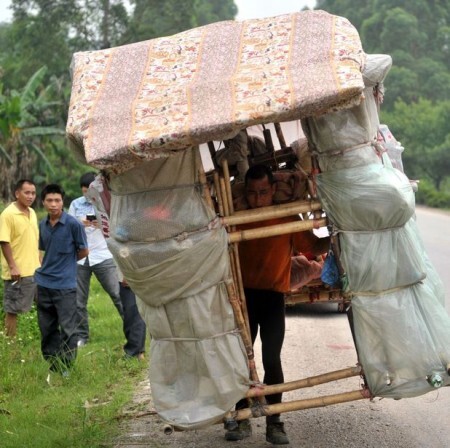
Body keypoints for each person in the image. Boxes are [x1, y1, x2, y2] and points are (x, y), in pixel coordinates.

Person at [225, 164, 330, 445]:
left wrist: (338, 234)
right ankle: (241, 416)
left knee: (272, 359)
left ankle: (275, 421)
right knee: (240, 359)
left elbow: (313, 248)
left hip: (273, 298)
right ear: (244, 193)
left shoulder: (286, 217)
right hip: (243, 298)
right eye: (251, 193)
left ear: (273, 190)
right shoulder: (237, 217)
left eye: (263, 192)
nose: (258, 199)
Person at [35, 184, 88, 376]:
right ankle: (54, 364)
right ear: (43, 202)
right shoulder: (42, 225)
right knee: (47, 328)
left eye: (57, 200)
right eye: (49, 200)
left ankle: (66, 366)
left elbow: (83, 251)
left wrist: (66, 265)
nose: (53, 204)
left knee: (68, 328)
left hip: (65, 285)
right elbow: (44, 250)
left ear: (62, 202)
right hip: (43, 283)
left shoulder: (74, 224)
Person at [68, 172, 124, 347]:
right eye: (84, 191)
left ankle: (132, 330)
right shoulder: (75, 204)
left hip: (103, 255)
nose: (87, 195)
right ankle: (81, 336)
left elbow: (117, 223)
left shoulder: (107, 201)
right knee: (78, 300)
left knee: (117, 293)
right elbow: (69, 225)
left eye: (89, 191)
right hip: (80, 258)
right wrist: (84, 222)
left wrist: (95, 222)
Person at [0, 179, 40, 337]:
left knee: (45, 306)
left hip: (35, 270)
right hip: (18, 272)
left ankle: (45, 338)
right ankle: (10, 345)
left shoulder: (33, 213)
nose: (31, 196)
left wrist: (40, 259)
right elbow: (4, 241)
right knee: (13, 310)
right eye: (27, 192)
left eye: (33, 193)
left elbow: (34, 239)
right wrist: (12, 266)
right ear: (17, 194)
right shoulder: (8, 214)